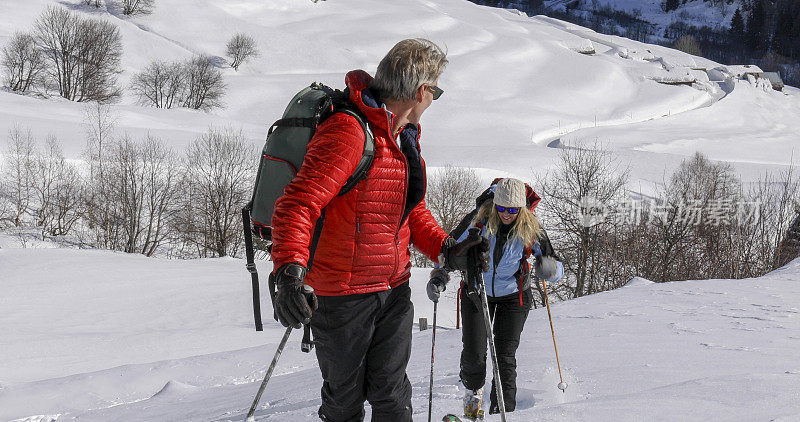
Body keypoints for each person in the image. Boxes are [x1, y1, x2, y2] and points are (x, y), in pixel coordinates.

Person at [269, 38, 485, 422]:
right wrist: (288, 271)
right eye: (436, 90)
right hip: (341, 296)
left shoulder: (404, 138)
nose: (433, 99)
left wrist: (449, 249)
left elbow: (412, 213)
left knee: (393, 395)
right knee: (344, 402)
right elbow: (298, 204)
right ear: (422, 91)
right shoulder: (348, 132)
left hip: (394, 291)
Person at [427, 178, 564, 417]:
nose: (507, 214)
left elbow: (554, 265)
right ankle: (472, 394)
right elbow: (450, 252)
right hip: (476, 293)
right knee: (473, 357)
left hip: (514, 297)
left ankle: (504, 412)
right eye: (502, 208)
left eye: (513, 210)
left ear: (521, 208)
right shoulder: (477, 222)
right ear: (495, 204)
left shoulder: (531, 228)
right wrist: (439, 277)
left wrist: (550, 268)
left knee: (504, 359)